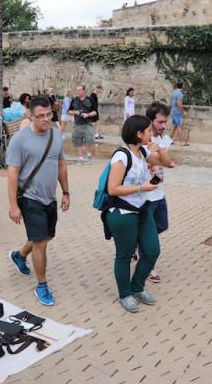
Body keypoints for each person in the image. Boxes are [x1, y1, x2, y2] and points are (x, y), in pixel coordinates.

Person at [6, 96, 69, 307]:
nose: (46, 119)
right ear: (30, 115)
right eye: (40, 116)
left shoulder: (56, 135)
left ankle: (19, 255)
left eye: (49, 114)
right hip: (30, 198)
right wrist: (13, 206)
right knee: (41, 242)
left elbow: (61, 165)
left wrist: (66, 192)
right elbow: (12, 173)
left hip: (49, 198)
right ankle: (42, 285)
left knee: (45, 236)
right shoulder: (19, 139)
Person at [105, 115, 165, 313]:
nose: (152, 133)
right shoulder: (121, 156)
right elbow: (113, 188)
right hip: (122, 212)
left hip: (142, 210)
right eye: (148, 131)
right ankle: (125, 294)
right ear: (138, 133)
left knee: (152, 250)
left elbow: (168, 163)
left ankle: (137, 287)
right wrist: (142, 188)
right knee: (124, 255)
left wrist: (161, 149)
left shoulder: (143, 152)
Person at [144, 102, 175, 283]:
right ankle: (148, 266)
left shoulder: (164, 139)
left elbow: (167, 161)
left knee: (161, 225)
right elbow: (142, 162)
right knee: (147, 232)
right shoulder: (143, 139)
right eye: (160, 122)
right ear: (151, 120)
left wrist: (163, 157)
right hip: (145, 193)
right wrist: (161, 159)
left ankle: (135, 243)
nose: (163, 126)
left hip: (159, 191)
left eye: (165, 122)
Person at [68, 84, 97, 163]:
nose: (78, 92)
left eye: (79, 90)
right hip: (77, 124)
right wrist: (75, 112)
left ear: (84, 91)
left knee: (90, 140)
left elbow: (95, 112)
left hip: (88, 123)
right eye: (77, 90)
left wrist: (87, 114)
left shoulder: (90, 100)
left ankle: (89, 154)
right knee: (78, 141)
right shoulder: (74, 100)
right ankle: (80, 158)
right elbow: (69, 111)